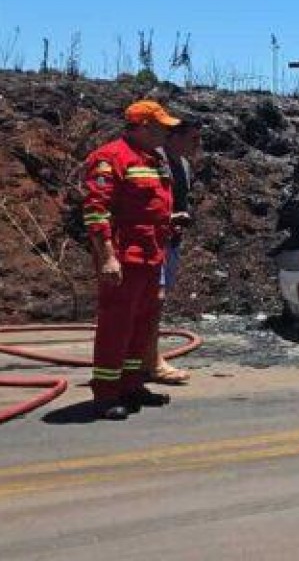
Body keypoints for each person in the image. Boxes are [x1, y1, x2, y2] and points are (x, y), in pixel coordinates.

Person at [82, 100, 180, 420]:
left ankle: (131, 385)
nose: (167, 133)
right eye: (162, 127)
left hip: (152, 255)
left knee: (142, 325)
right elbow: (96, 213)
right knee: (117, 326)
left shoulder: (153, 159)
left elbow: (150, 206)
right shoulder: (110, 158)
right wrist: (107, 258)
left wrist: (171, 220)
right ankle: (106, 393)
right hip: (125, 259)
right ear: (143, 127)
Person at [149, 117, 201, 385]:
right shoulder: (154, 161)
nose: (197, 144)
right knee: (152, 299)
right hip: (150, 241)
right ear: (174, 136)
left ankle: (143, 358)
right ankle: (151, 362)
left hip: (171, 241)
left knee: (157, 299)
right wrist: (168, 218)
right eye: (193, 138)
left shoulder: (183, 165)